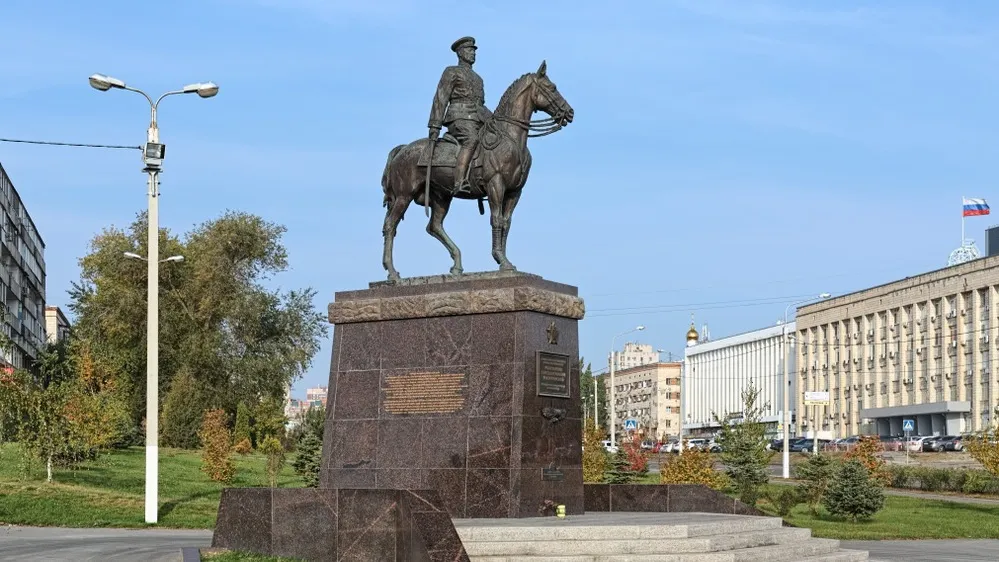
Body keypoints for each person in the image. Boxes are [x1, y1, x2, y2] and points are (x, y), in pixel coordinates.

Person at [428, 36, 492, 196]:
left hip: (478, 119)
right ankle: (459, 181)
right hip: (459, 118)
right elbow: (441, 97)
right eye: (469, 50)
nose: (473, 54)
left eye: (474, 51)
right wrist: (434, 124)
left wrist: (495, 121)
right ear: (460, 53)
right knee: (472, 139)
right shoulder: (452, 71)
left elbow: (480, 105)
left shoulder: (478, 79)